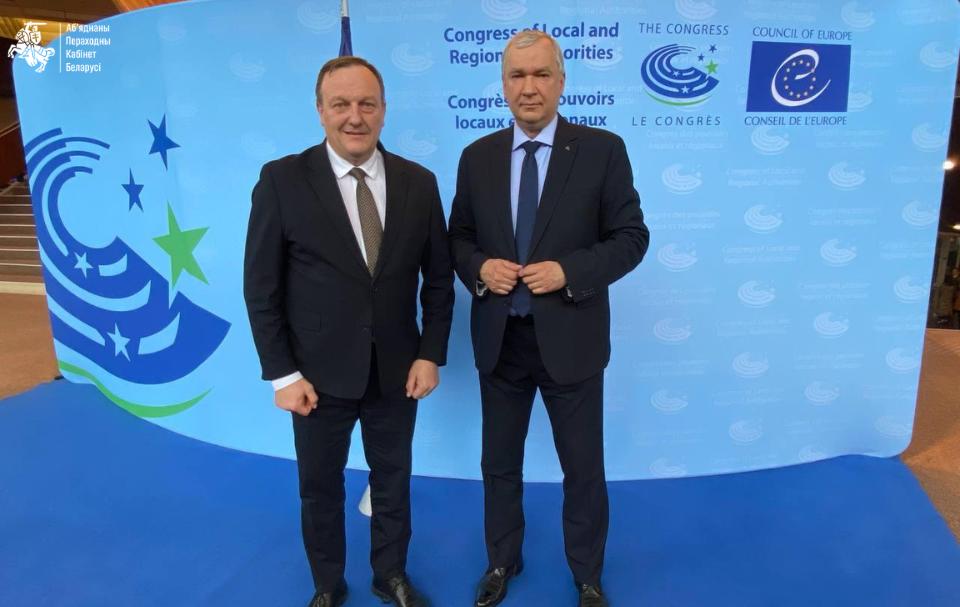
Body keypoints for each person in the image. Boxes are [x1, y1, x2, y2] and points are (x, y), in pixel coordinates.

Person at [448, 30, 649, 607]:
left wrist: (569, 271)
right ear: (502, 85)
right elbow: (458, 237)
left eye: (541, 74)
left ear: (561, 82)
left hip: (572, 341)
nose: (529, 87)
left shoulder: (602, 150)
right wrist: (479, 267)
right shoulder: (477, 157)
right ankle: (501, 562)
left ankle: (587, 575)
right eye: (518, 75)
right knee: (498, 466)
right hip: (500, 341)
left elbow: (631, 238)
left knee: (582, 468)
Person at [243, 56, 454, 607]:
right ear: (320, 111)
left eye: (366, 104)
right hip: (314, 379)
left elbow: (438, 281)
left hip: (397, 373)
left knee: (393, 482)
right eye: (341, 104)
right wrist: (282, 375)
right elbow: (261, 289)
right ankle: (327, 584)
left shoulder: (419, 183)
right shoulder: (281, 180)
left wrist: (429, 353)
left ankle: (391, 576)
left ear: (384, 110)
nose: (354, 116)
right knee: (319, 489)